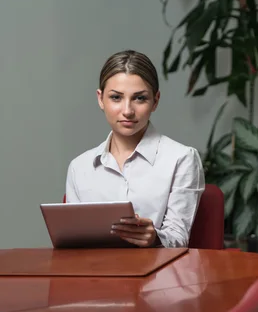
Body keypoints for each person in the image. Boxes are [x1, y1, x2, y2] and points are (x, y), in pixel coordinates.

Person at [66, 50, 205, 248]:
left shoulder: (181, 158)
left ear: (155, 101)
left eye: (139, 98)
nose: (127, 111)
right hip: (96, 275)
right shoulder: (79, 168)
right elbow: (74, 242)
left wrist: (155, 237)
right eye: (116, 97)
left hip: (158, 275)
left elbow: (179, 237)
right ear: (100, 99)